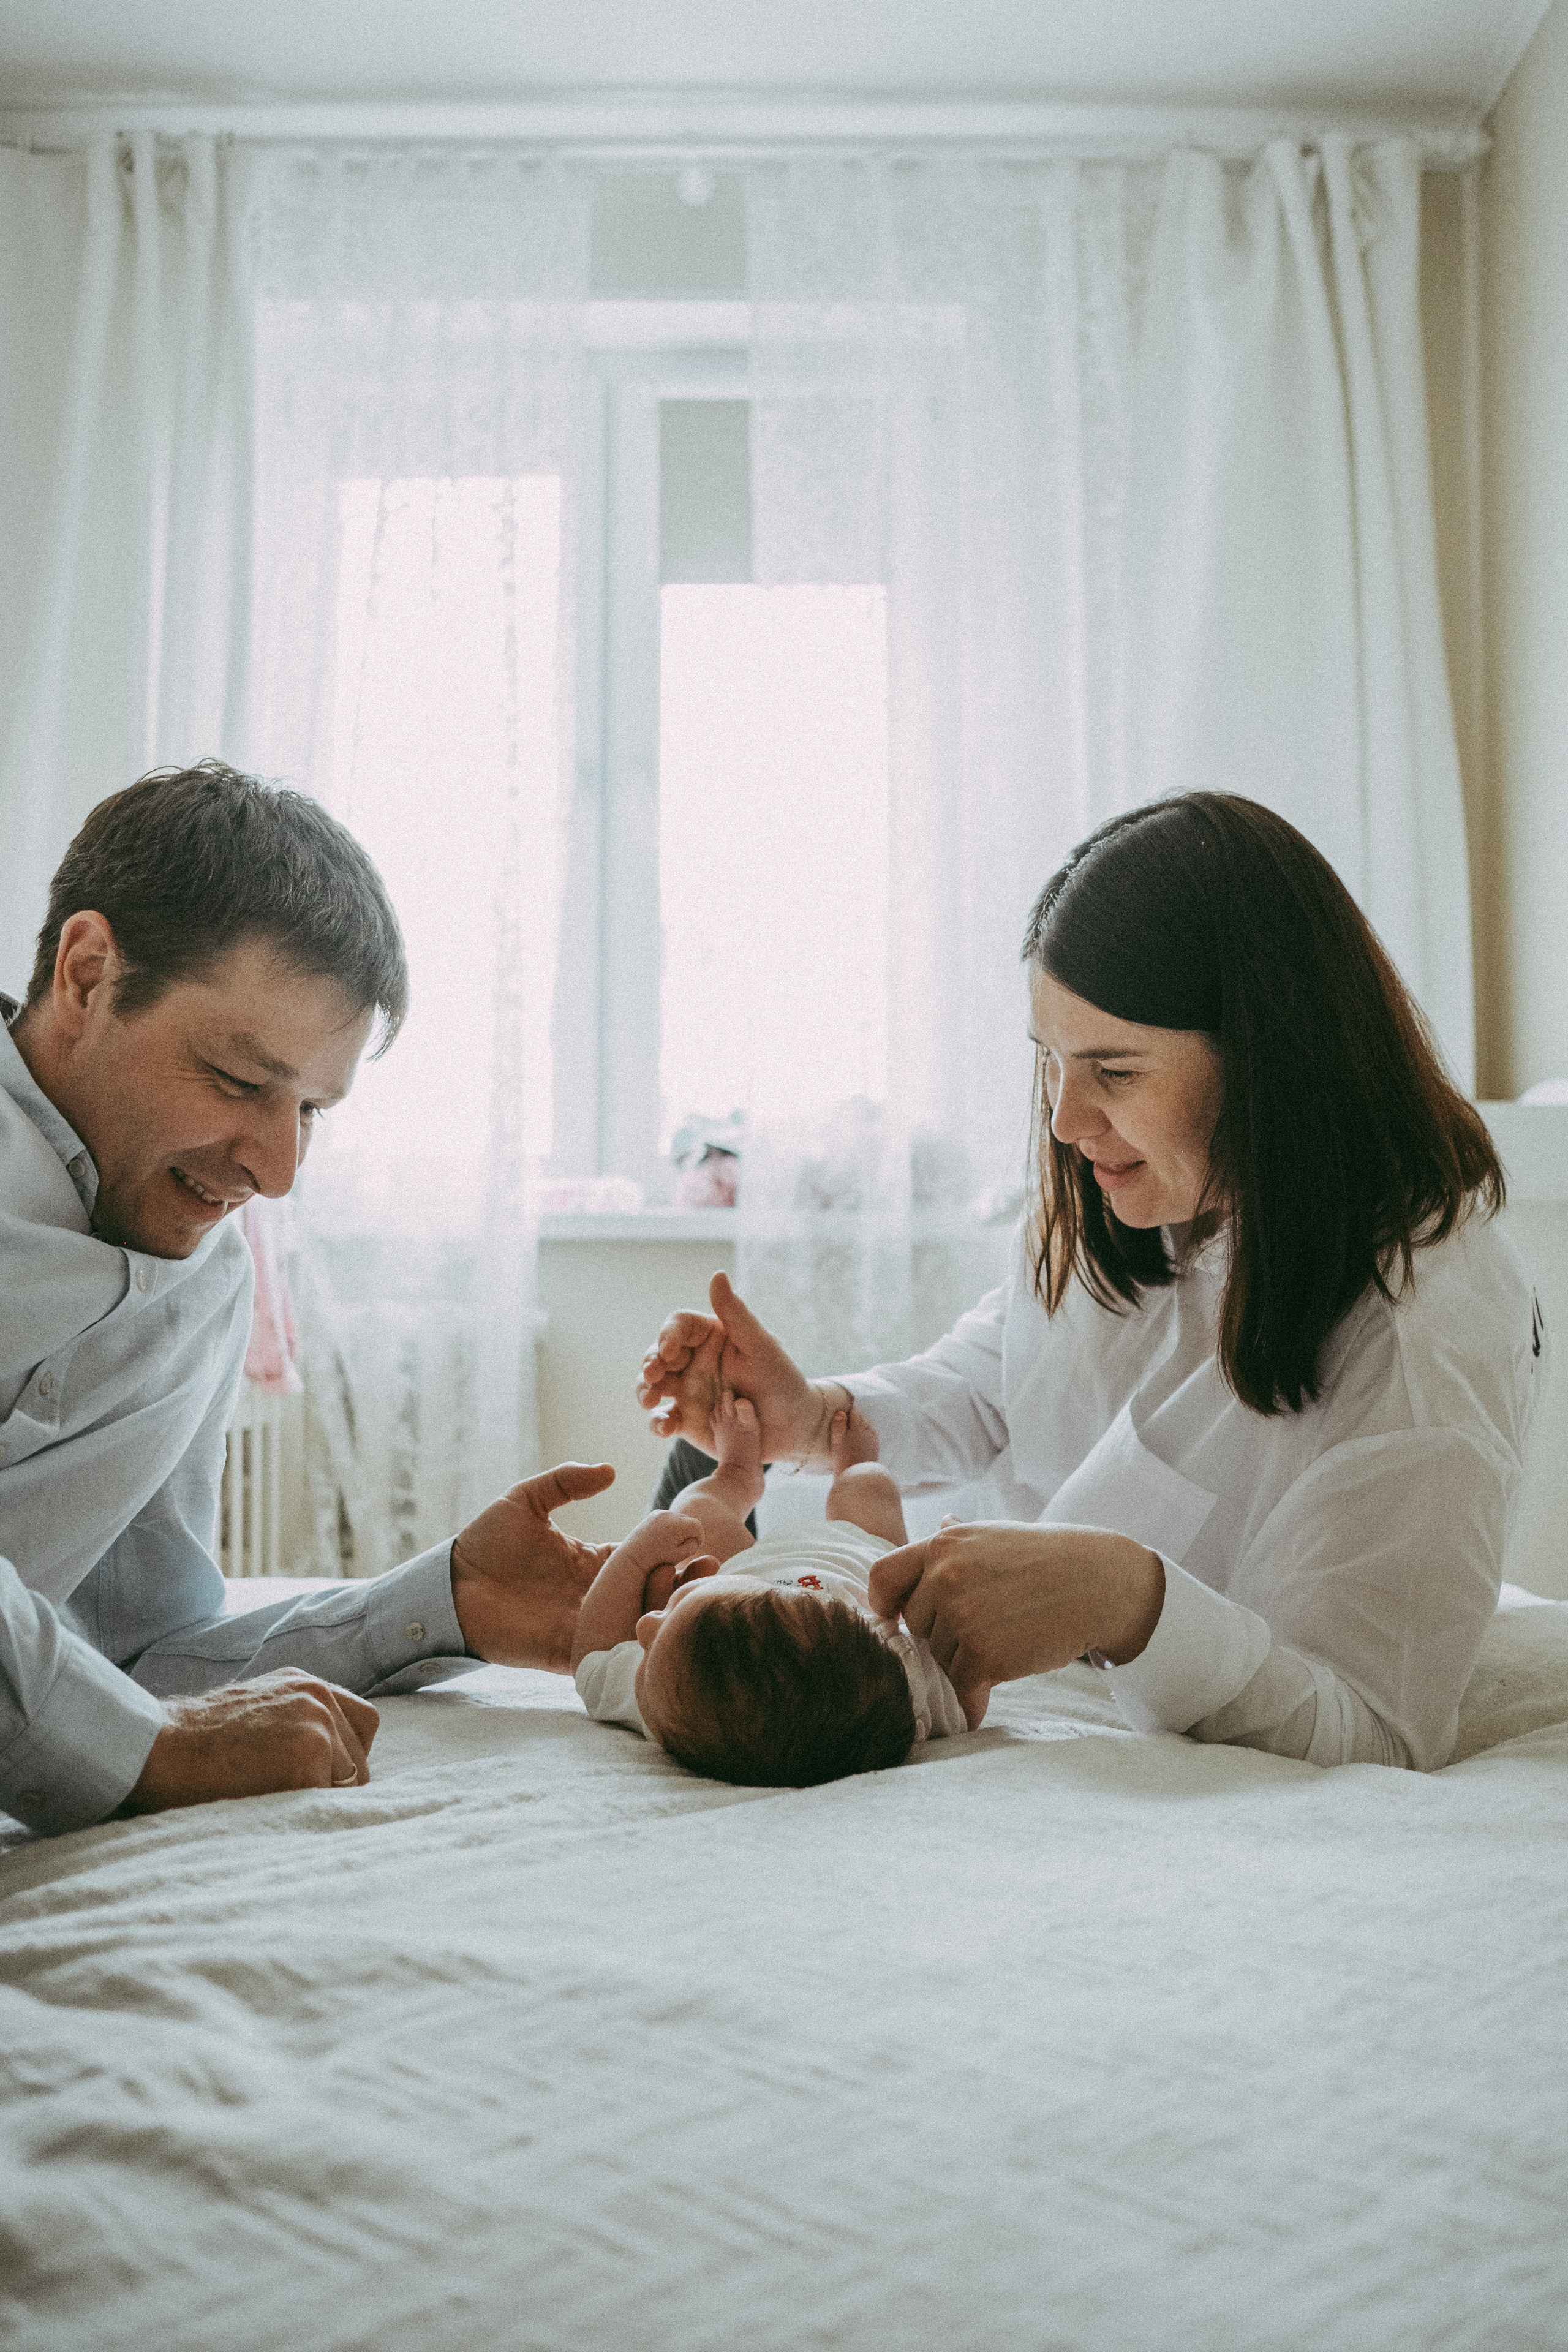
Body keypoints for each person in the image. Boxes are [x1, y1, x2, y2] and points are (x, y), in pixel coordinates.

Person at [638, 794, 1548, 1774]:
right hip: (1014, 1669)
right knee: (699, 1499)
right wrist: (812, 1419)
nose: (1068, 1122)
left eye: (1113, 1072)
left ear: (1274, 1059)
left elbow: (1374, 1732)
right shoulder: (1151, 1194)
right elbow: (1004, 1382)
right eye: (1053, 1065)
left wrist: (1133, 1602)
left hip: (1112, 1710)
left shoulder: (1423, 1333)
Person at [1, 761, 619, 1837]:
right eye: (241, 1083)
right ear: (88, 973)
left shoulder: (207, 1281)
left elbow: (138, 1659)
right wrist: (143, 1749)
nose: (277, 1173)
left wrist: (441, 1605)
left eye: (313, 1111)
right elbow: (131, 1728)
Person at [573, 1393, 977, 1787]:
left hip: (747, 1567)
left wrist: (633, 1555)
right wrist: (959, 1576)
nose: (645, 1627)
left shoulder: (667, 1704)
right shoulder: (905, 1679)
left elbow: (590, 1655)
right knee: (868, 1485)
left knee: (694, 1509)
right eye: (671, 1610)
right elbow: (967, 1699)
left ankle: (736, 1472)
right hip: (866, 1559)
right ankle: (855, 1462)